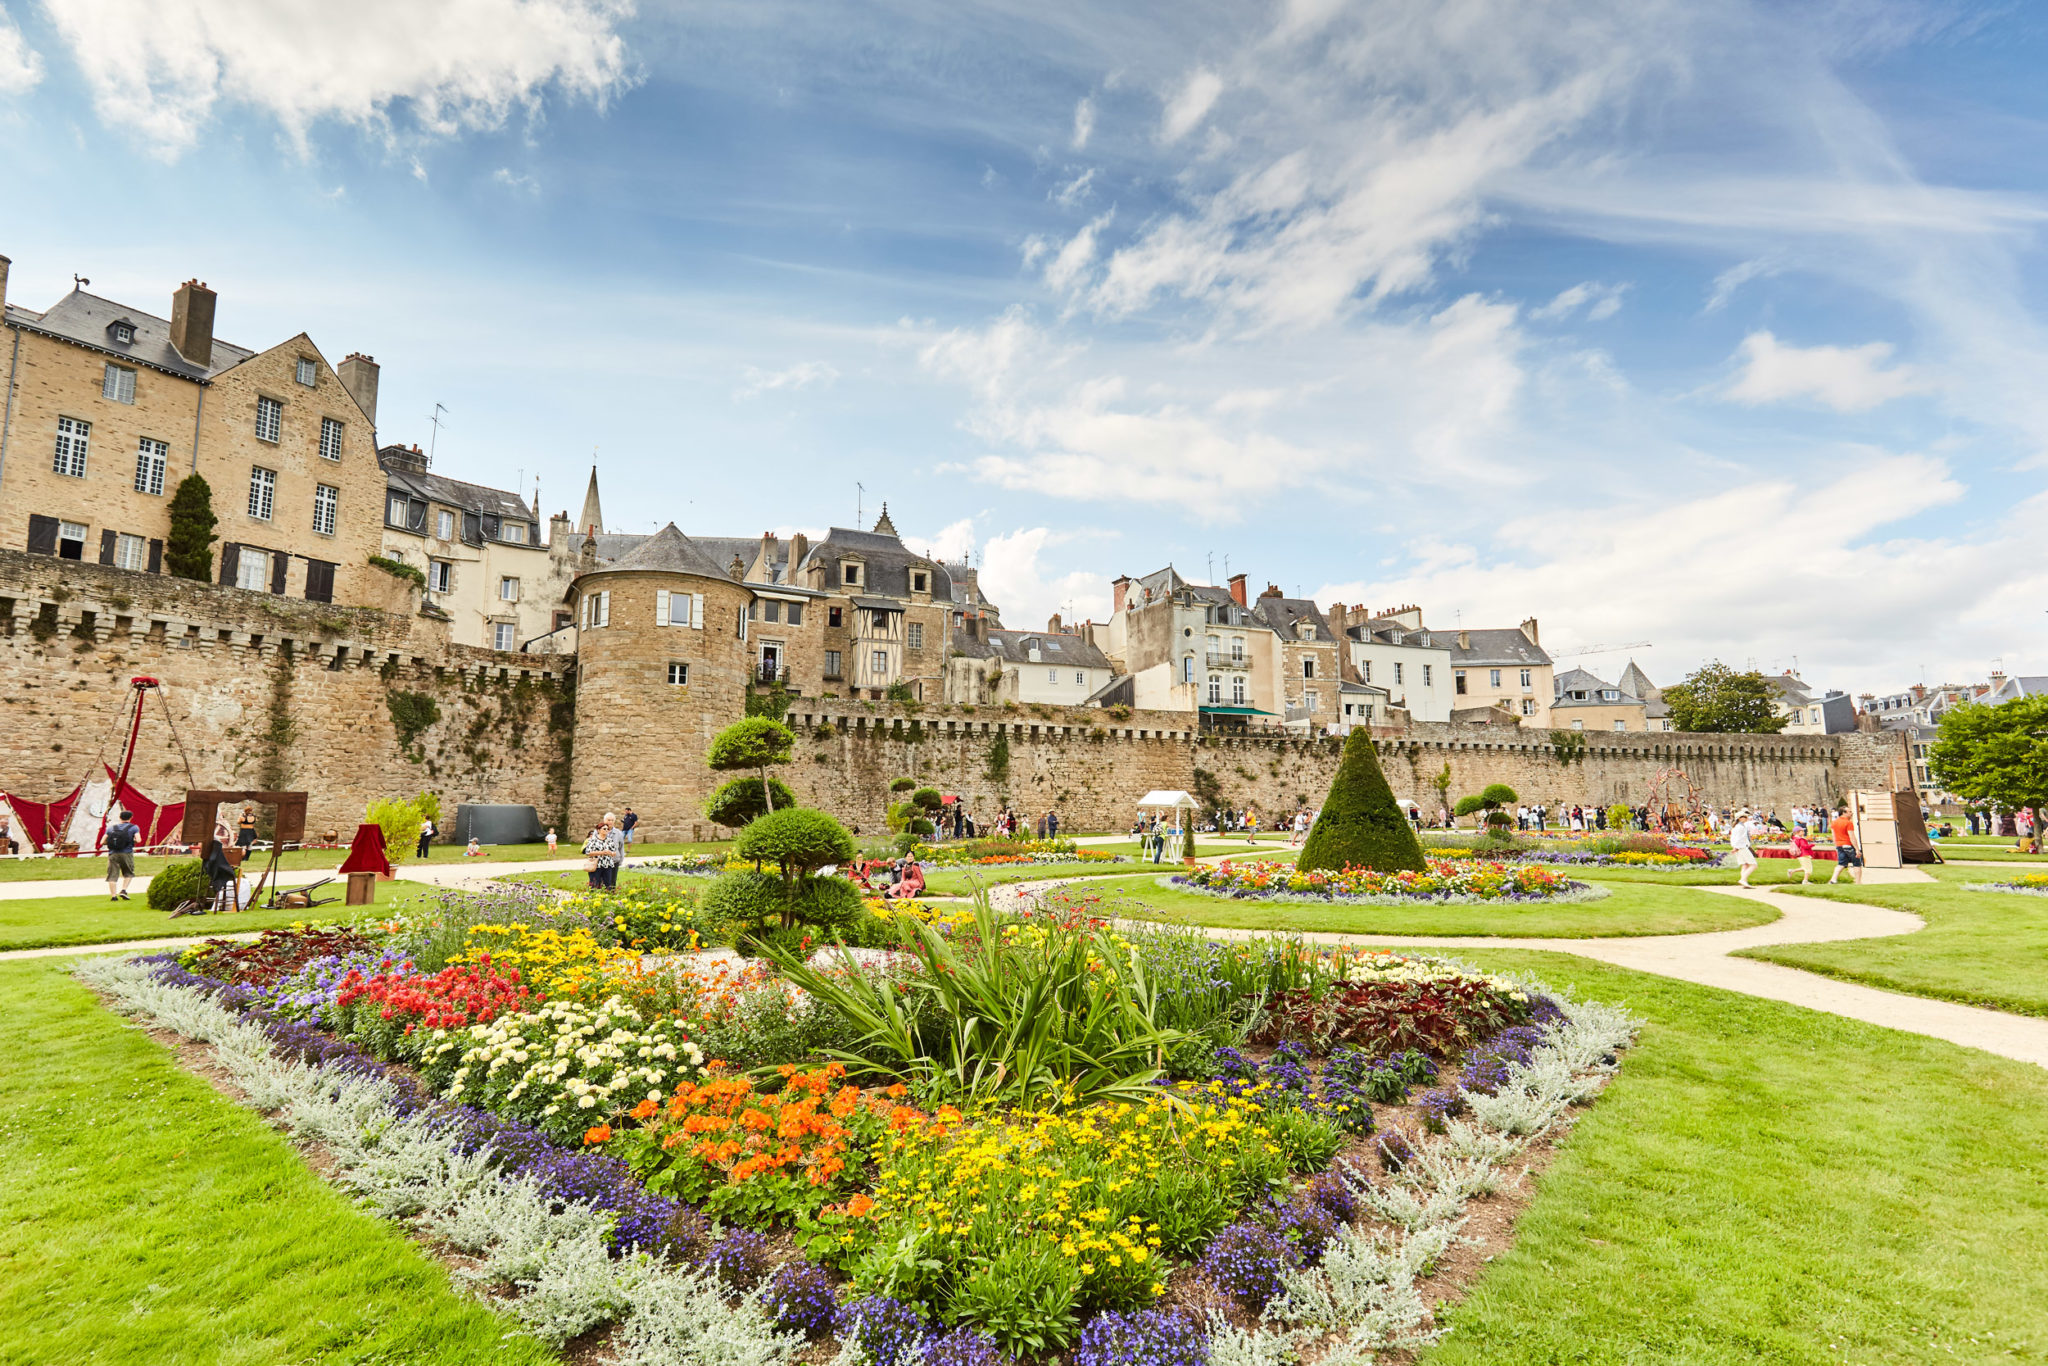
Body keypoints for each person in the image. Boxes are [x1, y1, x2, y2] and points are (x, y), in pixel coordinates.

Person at [105, 808, 140, 901]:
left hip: (113, 853)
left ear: (119, 817)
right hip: (126, 852)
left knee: (112, 875)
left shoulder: (111, 828)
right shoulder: (134, 827)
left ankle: (113, 896)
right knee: (128, 873)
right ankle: (123, 890)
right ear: (131, 818)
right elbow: (139, 840)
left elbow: (102, 841)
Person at [1828, 804, 1862, 885]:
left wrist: (1836, 845)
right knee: (1857, 864)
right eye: (1849, 812)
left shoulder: (1834, 822)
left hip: (1839, 845)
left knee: (1841, 864)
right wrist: (1857, 849)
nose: (1851, 813)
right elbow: (1852, 836)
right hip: (1848, 845)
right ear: (1844, 813)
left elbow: (1833, 835)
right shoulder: (1848, 823)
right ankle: (1858, 883)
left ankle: (1833, 880)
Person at [1729, 808, 1760, 889]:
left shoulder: (1738, 827)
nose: (1746, 818)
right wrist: (1736, 847)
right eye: (1744, 817)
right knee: (1753, 865)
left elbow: (1734, 838)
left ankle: (1744, 882)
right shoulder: (1740, 827)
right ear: (1740, 818)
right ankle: (1743, 879)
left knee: (1745, 865)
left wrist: (1734, 847)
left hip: (1739, 847)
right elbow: (1739, 838)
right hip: (1741, 847)